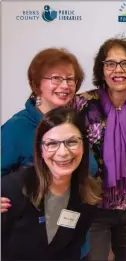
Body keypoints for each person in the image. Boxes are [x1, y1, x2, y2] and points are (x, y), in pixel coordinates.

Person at [0, 47, 98, 259]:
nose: (64, 85)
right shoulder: (16, 128)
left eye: (70, 79)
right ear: (37, 85)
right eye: (55, 78)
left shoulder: (77, 121)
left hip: (75, 243)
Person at [74, 36, 126, 261]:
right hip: (94, 207)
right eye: (111, 63)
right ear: (102, 69)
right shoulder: (82, 104)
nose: (118, 70)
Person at [1, 107, 101, 260]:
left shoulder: (86, 196)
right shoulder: (12, 190)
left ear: (83, 147)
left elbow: (72, 251)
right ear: (40, 149)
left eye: (72, 142)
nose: (63, 152)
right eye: (52, 144)